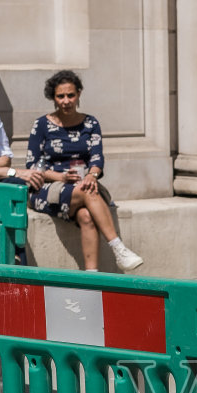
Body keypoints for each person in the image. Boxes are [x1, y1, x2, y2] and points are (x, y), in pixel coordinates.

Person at [24, 70, 142, 272]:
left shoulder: (91, 123)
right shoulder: (41, 125)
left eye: (71, 95)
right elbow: (33, 166)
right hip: (48, 187)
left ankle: (91, 276)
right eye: (60, 96)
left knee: (86, 216)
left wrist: (91, 175)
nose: (66, 101)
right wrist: (60, 176)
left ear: (79, 94)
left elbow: (97, 158)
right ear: (53, 97)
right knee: (88, 191)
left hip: (81, 184)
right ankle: (118, 247)